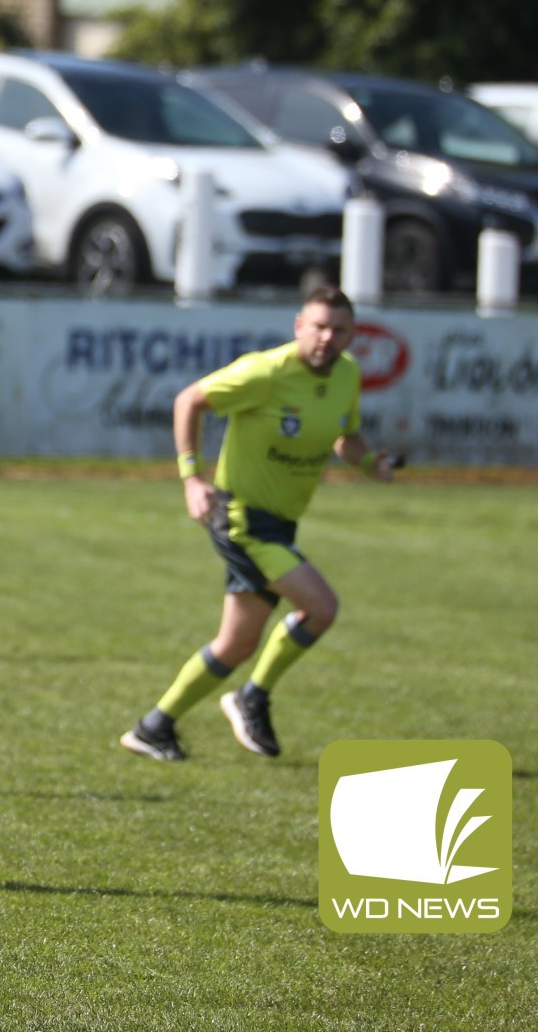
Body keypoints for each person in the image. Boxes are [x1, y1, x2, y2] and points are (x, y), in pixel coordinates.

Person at [120, 286, 395, 762]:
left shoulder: (346, 376)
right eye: (319, 327)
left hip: (282, 524)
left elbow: (345, 437)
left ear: (352, 336)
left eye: (340, 330)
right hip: (243, 519)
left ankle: (153, 727)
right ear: (298, 327)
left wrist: (370, 461)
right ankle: (253, 697)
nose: (328, 338)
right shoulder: (264, 372)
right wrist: (191, 478)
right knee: (321, 606)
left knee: (238, 642)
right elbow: (189, 401)